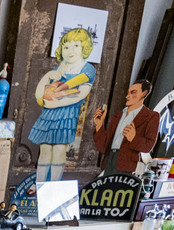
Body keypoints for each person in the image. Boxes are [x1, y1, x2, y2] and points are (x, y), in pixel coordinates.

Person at [30, 27, 96, 182]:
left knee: (59, 149)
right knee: (45, 149)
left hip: (67, 114)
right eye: (66, 47)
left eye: (76, 46)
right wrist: (48, 76)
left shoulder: (87, 68)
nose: (70, 51)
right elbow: (42, 93)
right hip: (49, 114)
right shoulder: (60, 67)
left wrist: (53, 103)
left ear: (84, 48)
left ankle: (54, 185)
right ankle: (40, 183)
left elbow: (80, 94)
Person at [92, 80, 160, 174]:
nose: (127, 96)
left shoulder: (151, 116)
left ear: (144, 93)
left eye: (133, 92)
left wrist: (133, 138)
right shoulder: (118, 116)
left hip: (127, 165)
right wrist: (99, 125)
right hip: (108, 161)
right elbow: (104, 147)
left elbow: (148, 146)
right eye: (128, 93)